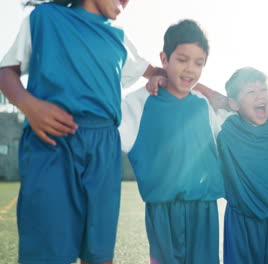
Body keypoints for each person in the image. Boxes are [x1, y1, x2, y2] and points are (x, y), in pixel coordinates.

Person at [0, 0, 164, 263]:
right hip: (53, 145)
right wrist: (29, 105)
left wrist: (161, 78)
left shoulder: (119, 37)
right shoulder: (44, 18)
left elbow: (157, 73)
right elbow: (7, 71)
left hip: (104, 150)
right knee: (48, 253)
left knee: (99, 254)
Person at [119, 19, 223, 264]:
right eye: (182, 60)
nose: (190, 69)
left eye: (199, 63)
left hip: (204, 211)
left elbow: (228, 141)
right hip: (162, 212)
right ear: (164, 59)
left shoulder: (204, 106)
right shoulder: (138, 104)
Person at [217, 67, 268, 264]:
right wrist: (159, 75)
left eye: (264, 90)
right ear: (233, 103)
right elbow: (195, 93)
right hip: (240, 222)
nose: (260, 96)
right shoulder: (226, 127)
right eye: (251, 92)